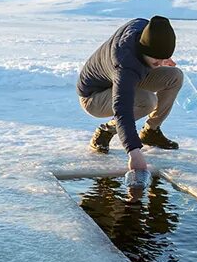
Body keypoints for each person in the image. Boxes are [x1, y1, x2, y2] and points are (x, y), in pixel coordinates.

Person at [76, 16, 184, 171]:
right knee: (147, 101)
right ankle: (105, 131)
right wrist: (134, 151)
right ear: (145, 50)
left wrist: (161, 57)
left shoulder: (144, 29)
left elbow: (154, 42)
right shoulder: (124, 65)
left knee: (175, 76)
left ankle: (150, 132)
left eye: (162, 59)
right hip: (93, 97)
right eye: (156, 62)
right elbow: (123, 109)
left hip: (122, 78)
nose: (160, 65)